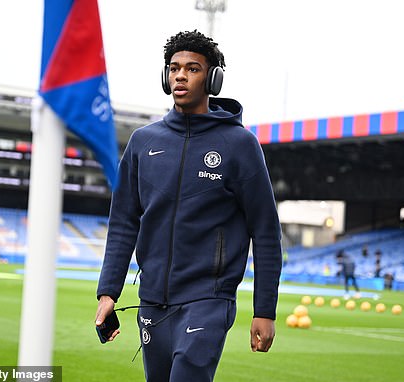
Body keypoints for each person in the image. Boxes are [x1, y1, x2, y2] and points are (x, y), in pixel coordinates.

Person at [95, 30, 283, 382]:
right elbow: (123, 222)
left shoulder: (240, 144)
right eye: (174, 68)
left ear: (213, 79)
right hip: (152, 303)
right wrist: (108, 293)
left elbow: (266, 231)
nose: (180, 75)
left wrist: (264, 310)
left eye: (193, 68)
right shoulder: (142, 142)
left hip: (208, 300)